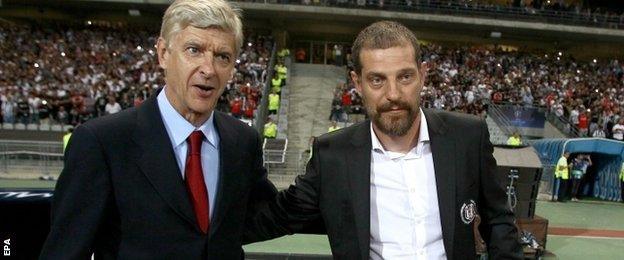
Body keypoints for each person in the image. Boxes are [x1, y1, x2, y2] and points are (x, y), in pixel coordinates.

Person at [246, 21, 522, 259]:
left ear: (423, 75)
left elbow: (498, 219)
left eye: (404, 77)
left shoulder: (467, 137)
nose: (393, 94)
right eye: (377, 80)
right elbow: (277, 216)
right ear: (357, 82)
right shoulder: (332, 154)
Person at [40, 0, 277, 258]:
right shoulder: (103, 141)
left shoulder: (243, 141)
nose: (208, 69)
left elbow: (267, 214)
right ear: (163, 53)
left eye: (222, 56)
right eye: (194, 50)